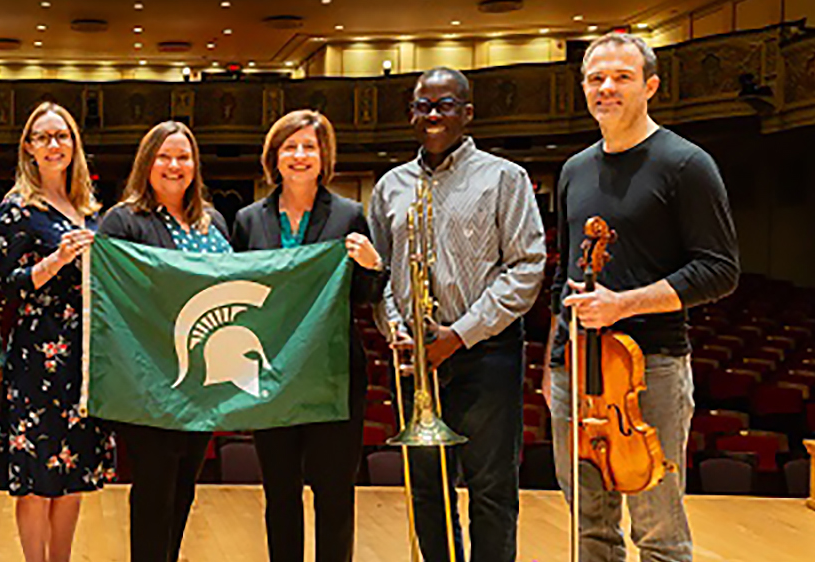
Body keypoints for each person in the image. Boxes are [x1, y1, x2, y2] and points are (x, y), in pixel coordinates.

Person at [546, 33, 739, 562]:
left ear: (650, 85)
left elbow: (720, 270)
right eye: (596, 78)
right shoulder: (574, 170)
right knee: (588, 528)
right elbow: (567, 276)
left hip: (648, 369)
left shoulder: (685, 164)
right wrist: (552, 367)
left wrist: (624, 304)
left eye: (622, 77)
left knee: (658, 531)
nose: (607, 87)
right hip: (576, 372)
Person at [368, 67, 546, 562]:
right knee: (427, 489)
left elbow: (526, 269)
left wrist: (459, 335)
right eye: (423, 105)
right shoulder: (389, 187)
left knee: (491, 487)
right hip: (415, 361)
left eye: (445, 105)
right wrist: (399, 332)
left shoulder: (504, 178)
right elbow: (378, 273)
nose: (432, 115)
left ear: (467, 113)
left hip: (485, 353)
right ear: (411, 113)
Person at [230, 110, 386, 562]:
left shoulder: (349, 214)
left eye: (309, 147)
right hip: (271, 376)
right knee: (280, 495)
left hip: (332, 375)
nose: (299, 156)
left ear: (324, 158)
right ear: (274, 158)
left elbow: (363, 295)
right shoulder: (247, 220)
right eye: (290, 147)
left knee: (335, 494)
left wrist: (374, 266)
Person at [96, 120, 229, 562]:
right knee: (155, 489)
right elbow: (114, 302)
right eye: (165, 156)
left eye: (184, 157)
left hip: (202, 380)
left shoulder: (215, 223)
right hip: (150, 381)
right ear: (147, 162)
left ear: (195, 165)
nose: (175, 165)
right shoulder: (123, 221)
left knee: (185, 485)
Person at [0, 103, 116, 562]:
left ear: (74, 144)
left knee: (71, 472)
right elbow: (5, 282)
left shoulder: (89, 208)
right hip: (38, 351)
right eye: (42, 137)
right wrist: (56, 260)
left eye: (61, 136)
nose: (53, 145)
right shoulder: (16, 208)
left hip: (85, 350)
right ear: (28, 147)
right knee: (36, 475)